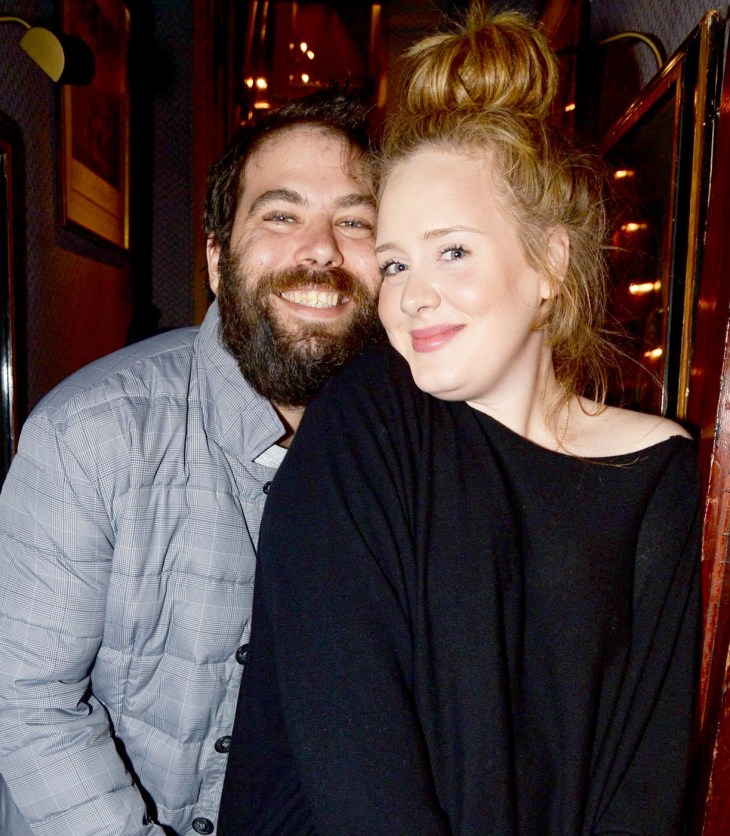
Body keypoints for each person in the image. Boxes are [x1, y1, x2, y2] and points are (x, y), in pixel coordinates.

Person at [218, 9, 701, 835]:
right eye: (395, 263)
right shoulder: (360, 429)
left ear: (549, 263)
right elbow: (357, 779)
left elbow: (646, 777)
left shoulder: (660, 471)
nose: (411, 295)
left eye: (452, 252)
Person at [0, 89, 381, 835]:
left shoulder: (412, 458)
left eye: (355, 221)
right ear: (216, 258)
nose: (321, 249)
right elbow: (26, 702)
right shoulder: (90, 437)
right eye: (281, 215)